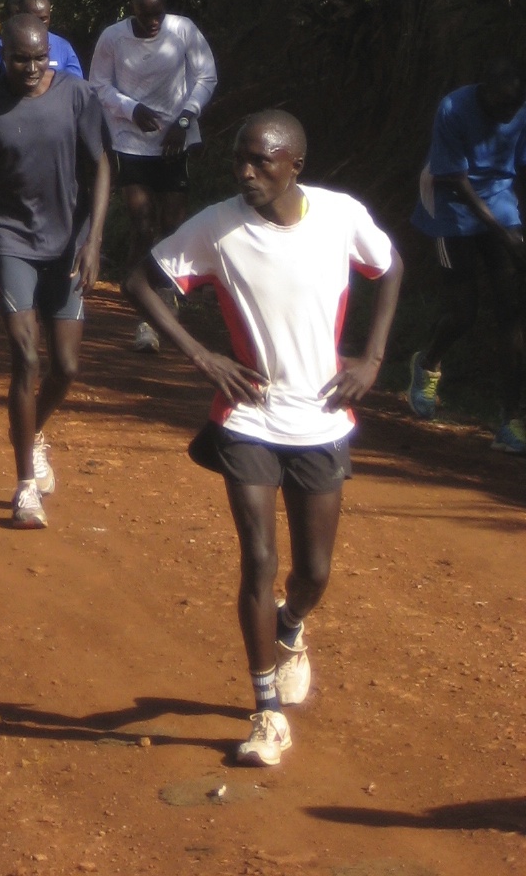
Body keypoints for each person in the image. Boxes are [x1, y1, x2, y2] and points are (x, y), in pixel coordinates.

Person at [126, 111, 402, 769]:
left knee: (314, 573)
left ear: (294, 166)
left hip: (322, 418)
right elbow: (138, 281)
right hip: (248, 417)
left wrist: (372, 360)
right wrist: (203, 357)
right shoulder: (217, 227)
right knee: (258, 559)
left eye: (261, 161)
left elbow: (389, 267)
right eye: (239, 160)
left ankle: (291, 626)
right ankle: (265, 711)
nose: (245, 172)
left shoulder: (340, 217)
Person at [0, 13, 111, 531]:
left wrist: (94, 242)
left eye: (41, 58)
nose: (33, 67)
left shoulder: (76, 96)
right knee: (26, 358)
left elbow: (102, 165)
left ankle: (31, 430)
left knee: (67, 366)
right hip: (11, 240)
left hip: (68, 245)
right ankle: (24, 487)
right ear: (4, 57)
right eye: (22, 59)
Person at [90, 0, 217, 352]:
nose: (153, 23)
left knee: (173, 225)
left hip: (174, 140)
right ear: (133, 9)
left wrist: (185, 119)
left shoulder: (183, 30)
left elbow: (205, 76)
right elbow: (99, 84)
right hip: (131, 142)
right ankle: (144, 314)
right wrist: (131, 109)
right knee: (143, 224)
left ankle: (166, 293)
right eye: (146, 15)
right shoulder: (113, 38)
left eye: (158, 14)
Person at [406, 58, 526, 453]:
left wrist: (516, 229)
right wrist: (503, 234)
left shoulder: (520, 109)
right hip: (450, 207)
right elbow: (454, 178)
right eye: (502, 106)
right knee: (463, 312)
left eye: (515, 107)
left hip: (500, 203)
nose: (508, 114)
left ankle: (510, 420)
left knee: (512, 312)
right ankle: (428, 364)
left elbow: (522, 168)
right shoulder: (453, 108)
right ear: (484, 90)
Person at [0, 0, 84, 92]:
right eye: (21, 59)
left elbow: (74, 87)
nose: (37, 23)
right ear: (19, 14)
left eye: (43, 19)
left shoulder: (63, 46)